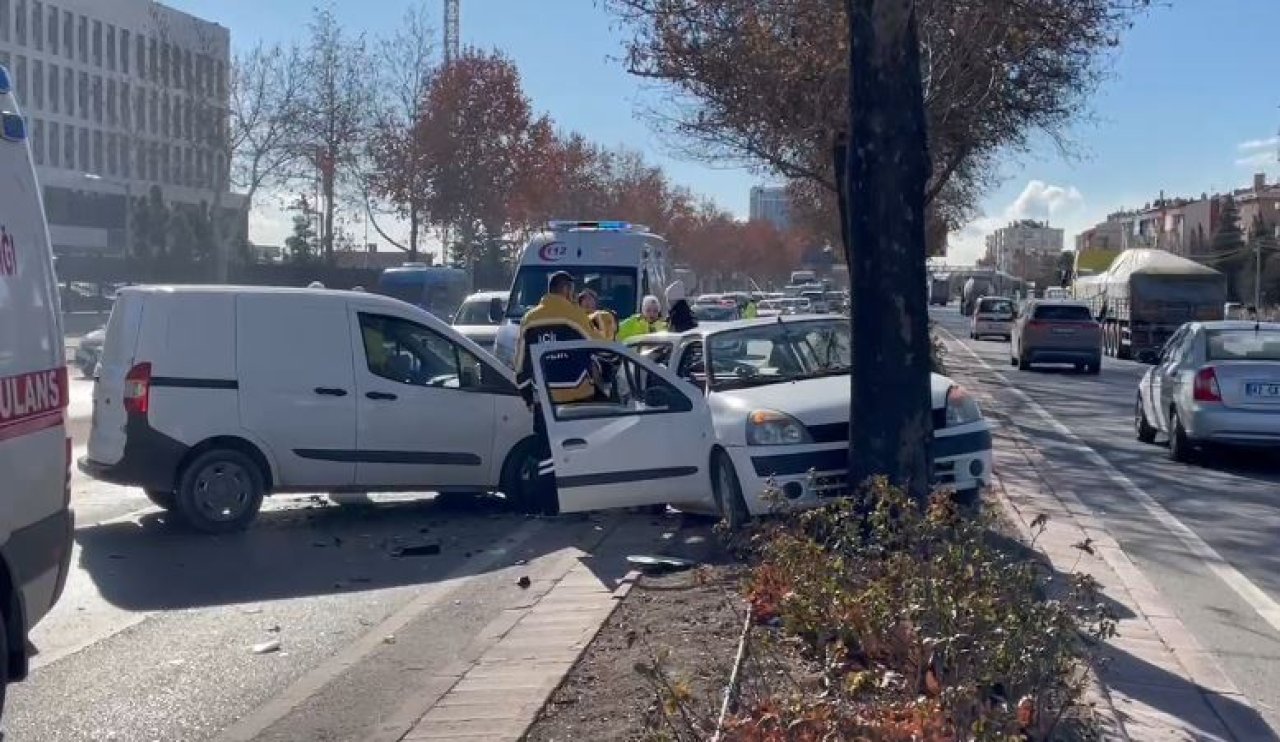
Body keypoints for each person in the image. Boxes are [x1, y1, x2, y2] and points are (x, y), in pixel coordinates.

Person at [513, 271, 604, 516]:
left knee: (546, 454)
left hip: (544, 400)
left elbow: (520, 365)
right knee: (578, 451)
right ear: (566, 290)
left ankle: (548, 505)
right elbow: (599, 345)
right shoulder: (573, 315)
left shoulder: (529, 319)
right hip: (577, 399)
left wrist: (528, 397)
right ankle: (578, 504)